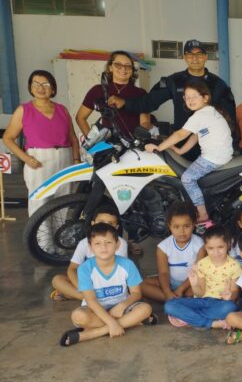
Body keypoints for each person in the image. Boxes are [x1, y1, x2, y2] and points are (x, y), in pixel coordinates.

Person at [107, 39, 236, 160]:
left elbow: (230, 118)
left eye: (199, 54)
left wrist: (233, 145)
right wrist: (125, 103)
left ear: (205, 57)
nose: (195, 58)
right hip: (182, 142)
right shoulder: (174, 81)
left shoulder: (218, 84)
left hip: (212, 145)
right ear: (184, 57)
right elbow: (148, 102)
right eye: (190, 54)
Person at [145, 78, 234, 227]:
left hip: (214, 157)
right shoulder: (209, 112)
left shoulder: (200, 115)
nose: (190, 100)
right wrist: (180, 150)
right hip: (222, 155)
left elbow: (181, 134)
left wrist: (159, 147)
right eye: (187, 97)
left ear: (205, 98)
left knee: (187, 178)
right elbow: (195, 135)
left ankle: (203, 214)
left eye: (194, 96)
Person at [59, 223, 155, 347]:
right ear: (90, 247)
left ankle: (92, 333)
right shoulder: (84, 269)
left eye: (108, 242)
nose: (103, 247)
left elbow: (136, 293)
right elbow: (91, 301)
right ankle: (134, 322)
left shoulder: (127, 265)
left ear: (117, 244)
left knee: (146, 309)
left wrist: (121, 306)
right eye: (97, 243)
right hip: (95, 309)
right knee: (78, 316)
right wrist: (111, 323)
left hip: (121, 309)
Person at [3, 70, 80, 216]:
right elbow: (8, 137)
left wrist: (76, 161)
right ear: (30, 88)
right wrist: (25, 158)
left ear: (53, 88)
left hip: (65, 160)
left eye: (45, 84)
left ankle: (59, 237)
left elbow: (73, 139)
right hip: (38, 161)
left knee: (62, 203)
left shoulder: (62, 110)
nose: (40, 88)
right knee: (40, 205)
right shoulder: (23, 110)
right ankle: (41, 239)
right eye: (36, 84)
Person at [164, 225, 242, 329]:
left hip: (220, 303)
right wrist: (194, 284)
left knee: (230, 307)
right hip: (201, 301)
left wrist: (230, 296)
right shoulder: (202, 264)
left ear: (228, 245)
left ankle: (188, 317)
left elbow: (235, 291)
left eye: (220, 247)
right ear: (205, 247)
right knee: (169, 305)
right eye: (211, 248)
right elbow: (199, 293)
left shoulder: (234, 265)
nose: (216, 252)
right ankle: (211, 323)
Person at [50, 205, 128, 301]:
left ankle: (76, 296)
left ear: (116, 227)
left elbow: (119, 273)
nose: (105, 226)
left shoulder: (120, 244)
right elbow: (73, 268)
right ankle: (88, 297)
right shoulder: (84, 243)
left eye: (110, 224)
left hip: (110, 285)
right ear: (92, 223)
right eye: (101, 222)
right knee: (57, 280)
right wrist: (82, 288)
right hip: (87, 283)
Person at [140, 202, 205, 303]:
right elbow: (163, 273)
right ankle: (174, 299)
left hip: (191, 283)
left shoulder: (200, 245)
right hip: (170, 281)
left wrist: (181, 289)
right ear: (169, 226)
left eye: (186, 226)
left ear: (194, 224)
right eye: (176, 227)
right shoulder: (163, 247)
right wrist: (167, 292)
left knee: (192, 292)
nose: (182, 231)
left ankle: (175, 300)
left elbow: (198, 272)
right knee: (140, 285)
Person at [76, 50, 150, 137]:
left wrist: (137, 140)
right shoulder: (98, 90)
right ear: (110, 67)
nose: (123, 68)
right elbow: (80, 117)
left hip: (132, 144)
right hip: (106, 146)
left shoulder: (140, 93)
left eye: (128, 66)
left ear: (132, 70)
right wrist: (91, 141)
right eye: (118, 65)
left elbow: (145, 123)